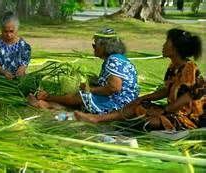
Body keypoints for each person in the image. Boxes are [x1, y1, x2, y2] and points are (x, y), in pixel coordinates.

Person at [75, 28, 205, 130]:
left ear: (176, 48)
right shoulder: (173, 67)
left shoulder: (189, 68)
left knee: (146, 123)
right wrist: (143, 98)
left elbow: (188, 97)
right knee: (137, 106)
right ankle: (97, 119)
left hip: (190, 117)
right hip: (172, 111)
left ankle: (107, 122)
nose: (163, 45)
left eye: (167, 42)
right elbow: (166, 90)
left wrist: (164, 110)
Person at [29, 28, 139, 115]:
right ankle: (45, 105)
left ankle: (47, 97)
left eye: (95, 45)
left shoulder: (113, 60)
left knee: (81, 96)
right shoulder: (119, 58)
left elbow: (114, 88)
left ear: (105, 46)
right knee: (79, 99)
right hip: (124, 100)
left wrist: (90, 89)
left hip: (119, 103)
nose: (94, 48)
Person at [0, 11, 31, 80]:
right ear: (1, 29)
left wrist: (21, 70)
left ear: (17, 29)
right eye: (5, 31)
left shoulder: (23, 45)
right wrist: (4, 72)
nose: (8, 35)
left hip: (17, 78)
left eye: (11, 31)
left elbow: (24, 63)